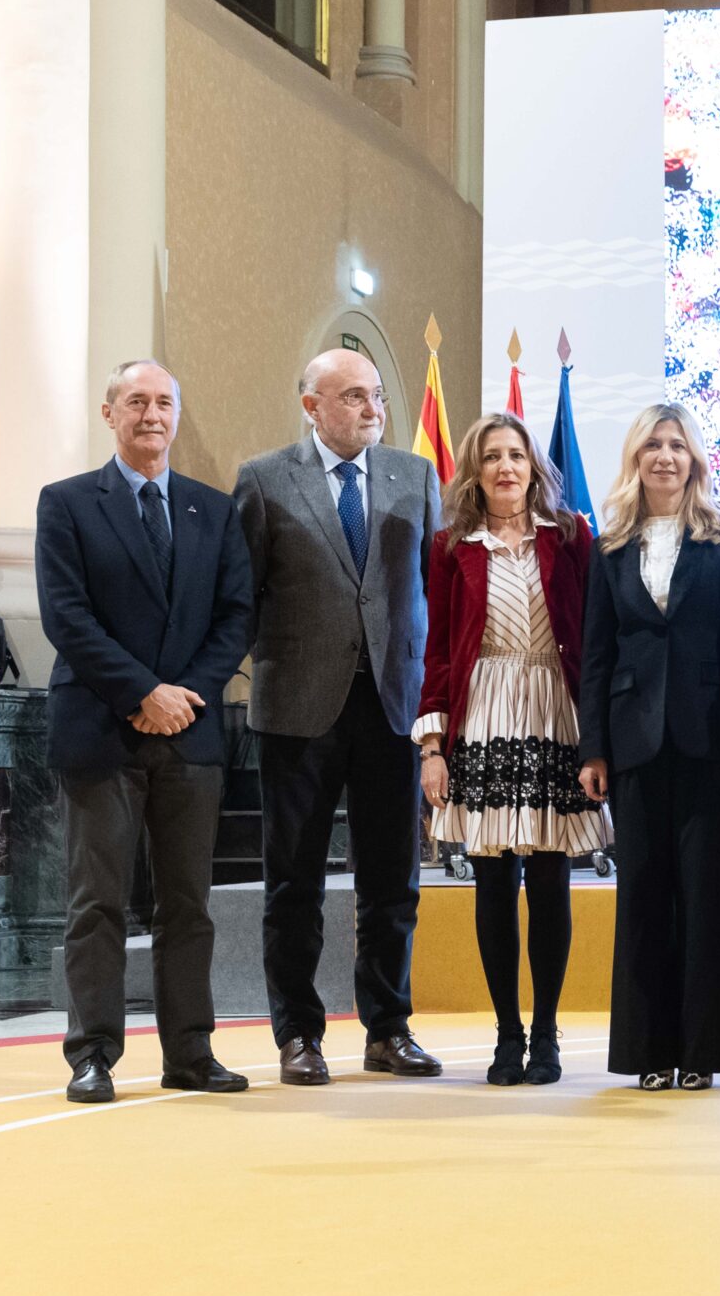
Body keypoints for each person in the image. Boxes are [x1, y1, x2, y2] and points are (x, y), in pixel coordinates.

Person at [36, 361, 253, 1103]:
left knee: (187, 904)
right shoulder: (65, 503)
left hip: (189, 734)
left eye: (163, 402)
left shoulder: (212, 510)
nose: (151, 413)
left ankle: (190, 1052)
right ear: (109, 413)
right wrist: (142, 692)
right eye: (137, 401)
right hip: (101, 729)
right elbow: (66, 616)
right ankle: (91, 1053)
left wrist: (181, 697)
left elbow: (235, 617)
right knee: (97, 902)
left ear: (177, 414)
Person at [235, 348, 443, 1085]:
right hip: (298, 708)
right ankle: (299, 1035)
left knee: (393, 881)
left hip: (393, 706)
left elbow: (433, 593)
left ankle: (388, 1028)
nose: (371, 408)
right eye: (353, 395)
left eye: (377, 395)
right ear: (311, 404)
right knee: (295, 884)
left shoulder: (414, 476)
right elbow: (244, 594)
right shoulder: (264, 479)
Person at [415, 413, 606, 1087]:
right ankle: (507, 1032)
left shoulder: (574, 536)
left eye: (516, 455)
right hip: (483, 709)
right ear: (476, 469)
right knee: (493, 878)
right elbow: (437, 646)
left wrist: (599, 734)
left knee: (552, 877)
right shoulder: (449, 547)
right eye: (492, 456)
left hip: (555, 706)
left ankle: (547, 1031)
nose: (505, 467)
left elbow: (595, 636)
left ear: (534, 467)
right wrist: (433, 744)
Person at [576, 404, 720, 1091]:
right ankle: (649, 1051)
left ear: (695, 459)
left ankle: (701, 1051)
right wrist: (592, 747)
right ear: (636, 458)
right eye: (652, 444)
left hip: (715, 740)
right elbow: (596, 654)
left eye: (677, 444)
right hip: (632, 743)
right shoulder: (610, 544)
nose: (664, 455)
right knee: (644, 896)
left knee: (710, 896)